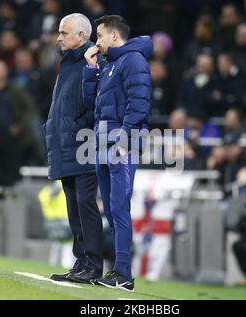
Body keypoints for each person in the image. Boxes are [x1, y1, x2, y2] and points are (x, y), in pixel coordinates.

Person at [83, 15, 152, 291]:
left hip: (120, 144)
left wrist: (125, 138)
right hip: (102, 144)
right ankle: (118, 272)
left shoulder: (133, 60)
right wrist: (90, 70)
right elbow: (94, 106)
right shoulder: (109, 65)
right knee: (112, 211)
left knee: (119, 209)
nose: (96, 41)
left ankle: (124, 274)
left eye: (99, 35)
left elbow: (140, 101)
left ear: (114, 36)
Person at [44, 14, 103, 284]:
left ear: (81, 36)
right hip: (67, 145)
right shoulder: (68, 62)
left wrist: (79, 128)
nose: (58, 37)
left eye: (64, 32)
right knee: (74, 207)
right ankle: (81, 261)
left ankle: (93, 264)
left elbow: (96, 105)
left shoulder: (92, 61)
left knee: (85, 204)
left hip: (84, 146)